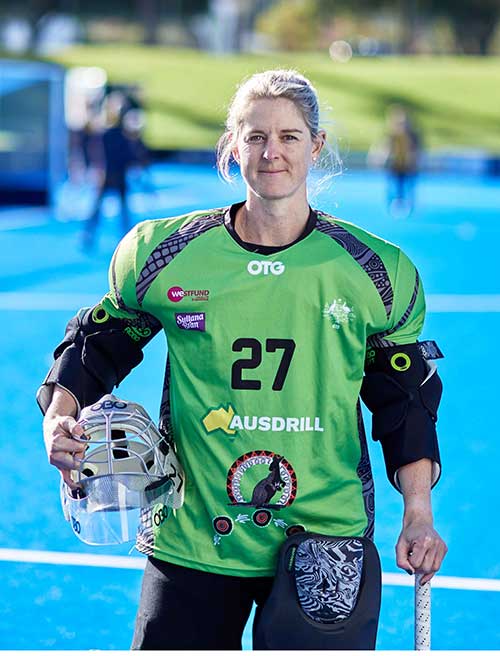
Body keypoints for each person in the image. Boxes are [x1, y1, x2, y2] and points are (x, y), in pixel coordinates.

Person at [38, 70, 447, 650]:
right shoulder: (164, 255)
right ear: (233, 145)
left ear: (316, 146)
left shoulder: (376, 274)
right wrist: (59, 415)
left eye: (288, 136)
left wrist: (419, 512)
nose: (271, 151)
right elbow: (99, 341)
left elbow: (404, 401)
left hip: (325, 534)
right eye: (255, 137)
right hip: (193, 533)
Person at [81, 91, 149, 249]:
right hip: (113, 175)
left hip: (109, 175)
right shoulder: (118, 135)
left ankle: (90, 235)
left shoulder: (110, 134)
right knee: (112, 210)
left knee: (111, 210)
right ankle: (91, 235)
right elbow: (128, 156)